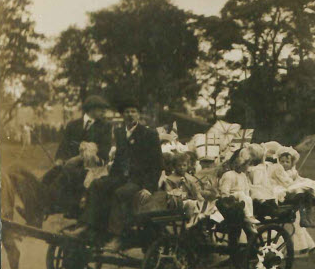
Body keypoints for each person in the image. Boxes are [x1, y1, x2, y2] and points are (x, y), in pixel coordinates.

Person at [72, 98, 162, 251]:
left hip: (139, 180)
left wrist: (149, 187)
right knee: (97, 185)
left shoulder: (149, 134)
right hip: (121, 177)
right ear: (122, 115)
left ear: (139, 115)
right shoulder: (120, 133)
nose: (130, 115)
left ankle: (117, 236)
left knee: (120, 193)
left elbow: (156, 165)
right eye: (127, 112)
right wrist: (108, 177)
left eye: (133, 111)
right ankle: (88, 226)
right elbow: (119, 158)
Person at [43, 95, 113, 218]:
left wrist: (79, 159)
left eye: (104, 109)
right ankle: (40, 204)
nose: (104, 112)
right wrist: (59, 159)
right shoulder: (73, 125)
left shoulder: (105, 127)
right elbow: (63, 146)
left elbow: (104, 152)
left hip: (92, 166)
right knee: (50, 175)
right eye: (100, 109)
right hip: (68, 163)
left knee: (71, 174)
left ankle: (66, 208)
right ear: (90, 109)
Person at [271, 145, 315, 256]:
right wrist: (295, 184)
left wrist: (301, 182)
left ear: (292, 163)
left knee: (305, 187)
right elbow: (286, 183)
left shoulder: (293, 172)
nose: (284, 164)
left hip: (291, 193)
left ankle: (306, 212)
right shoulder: (278, 171)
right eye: (282, 161)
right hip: (281, 191)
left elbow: (298, 179)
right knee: (294, 222)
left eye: (287, 162)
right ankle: (300, 248)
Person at [162, 152, 205, 228]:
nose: (182, 167)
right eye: (179, 165)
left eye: (184, 165)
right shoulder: (170, 179)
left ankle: (203, 222)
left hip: (192, 201)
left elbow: (196, 194)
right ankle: (192, 223)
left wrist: (189, 186)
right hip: (178, 204)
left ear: (188, 165)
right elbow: (169, 195)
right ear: (174, 166)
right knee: (191, 204)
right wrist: (179, 186)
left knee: (206, 204)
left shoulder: (190, 178)